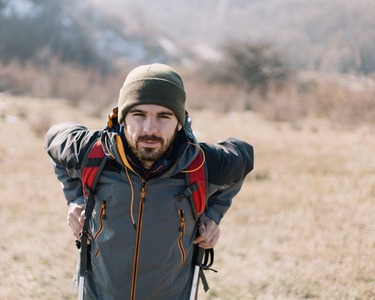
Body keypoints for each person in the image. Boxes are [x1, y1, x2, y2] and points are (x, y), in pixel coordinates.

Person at [45, 63, 254, 300]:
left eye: (164, 116)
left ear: (179, 121)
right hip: (99, 293)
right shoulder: (94, 152)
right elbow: (55, 138)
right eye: (139, 115)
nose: (149, 129)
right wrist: (75, 201)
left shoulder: (200, 163)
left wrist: (213, 216)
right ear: (122, 118)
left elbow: (244, 156)